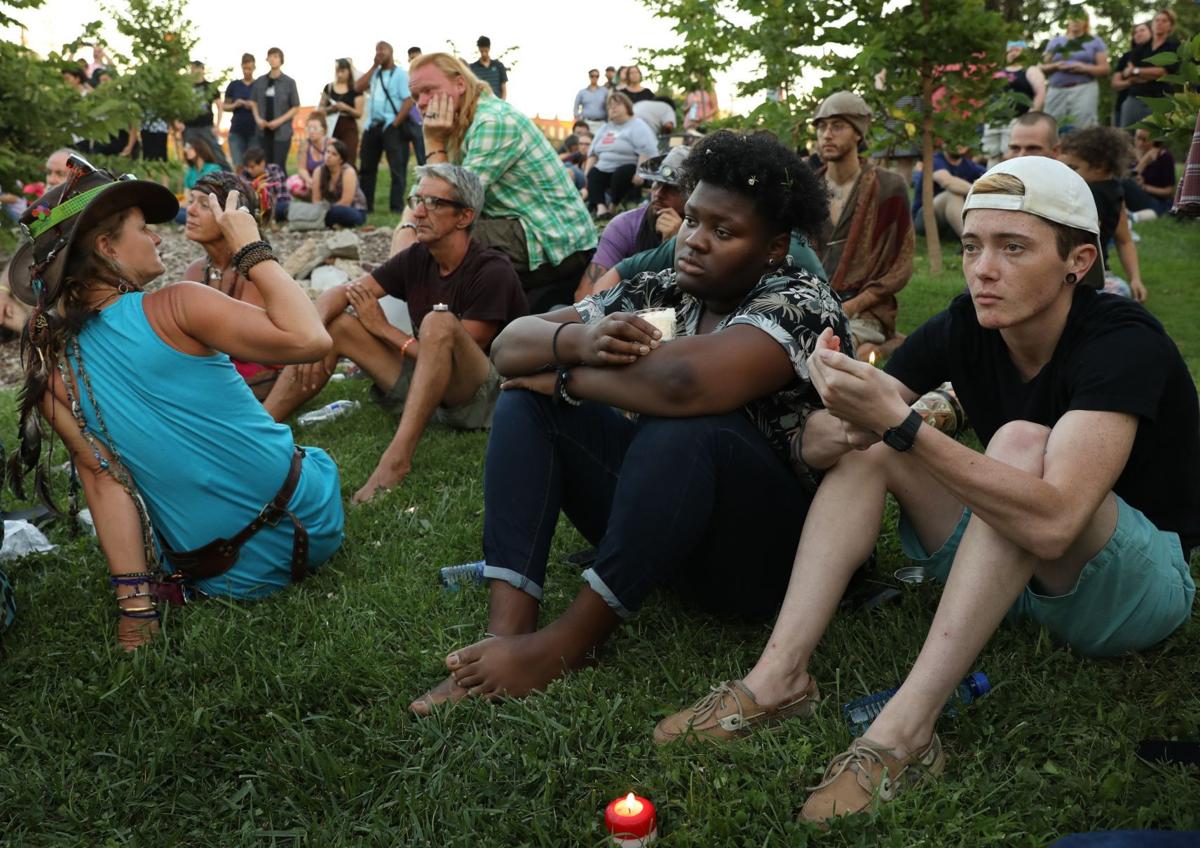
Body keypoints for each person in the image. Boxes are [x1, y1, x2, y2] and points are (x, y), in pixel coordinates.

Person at [657, 155, 1197, 826]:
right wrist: (840, 399)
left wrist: (902, 425)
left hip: (1132, 595)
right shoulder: (969, 323)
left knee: (1020, 442)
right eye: (973, 246)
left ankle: (904, 734)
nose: (983, 268)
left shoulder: (1122, 341)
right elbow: (849, 431)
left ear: (1078, 261)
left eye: (1013, 247)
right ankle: (779, 679)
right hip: (1017, 577)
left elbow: (1058, 523)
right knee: (878, 444)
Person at [407, 130, 848, 716]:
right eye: (691, 219)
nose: (693, 241)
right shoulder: (663, 288)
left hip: (764, 556)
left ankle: (572, 642)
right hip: (670, 533)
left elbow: (683, 385)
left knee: (685, 425)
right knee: (527, 402)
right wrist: (581, 338)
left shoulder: (798, 298)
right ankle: (508, 628)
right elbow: (511, 346)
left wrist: (566, 373)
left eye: (724, 232)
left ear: (774, 246)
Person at [5, 157, 345, 650]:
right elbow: (310, 338)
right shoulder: (178, 304)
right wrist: (250, 244)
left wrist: (136, 614)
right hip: (310, 522)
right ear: (107, 248)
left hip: (219, 573)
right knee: (316, 462)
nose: (158, 238)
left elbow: (104, 484)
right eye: (144, 229)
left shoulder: (50, 373)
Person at [264, 164, 527, 502]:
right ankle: (262, 426)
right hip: (426, 386)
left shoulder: (493, 271)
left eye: (433, 203)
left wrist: (385, 330)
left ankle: (396, 460)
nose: (418, 212)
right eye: (417, 199)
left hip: (478, 398)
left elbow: (450, 360)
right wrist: (309, 341)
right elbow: (339, 294)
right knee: (337, 324)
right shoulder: (418, 257)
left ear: (464, 217)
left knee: (439, 322)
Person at [400, 52, 596, 312]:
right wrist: (407, 231)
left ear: (460, 84)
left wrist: (433, 142)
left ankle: (443, 329)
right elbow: (426, 202)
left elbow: (442, 202)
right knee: (423, 234)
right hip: (517, 226)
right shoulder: (459, 123)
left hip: (554, 241)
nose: (422, 103)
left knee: (440, 238)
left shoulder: (492, 121)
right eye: (416, 97)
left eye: (429, 91)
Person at [811, 91, 913, 360]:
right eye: (821, 127)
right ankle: (884, 347)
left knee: (834, 353)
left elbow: (900, 264)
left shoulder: (889, 187)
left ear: (858, 133)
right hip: (813, 301)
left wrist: (853, 305)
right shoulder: (808, 188)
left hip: (867, 309)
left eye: (837, 126)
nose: (827, 135)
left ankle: (881, 345)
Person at [182, 171, 284, 399]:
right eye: (191, 202)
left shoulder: (256, 272)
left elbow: (261, 346)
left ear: (231, 217)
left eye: (205, 205)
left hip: (254, 368)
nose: (190, 210)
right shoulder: (196, 271)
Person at [576, 146, 689, 295]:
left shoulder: (700, 234)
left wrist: (676, 243)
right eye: (657, 183)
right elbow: (586, 294)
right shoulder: (625, 226)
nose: (659, 193)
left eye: (673, 188)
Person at [1059, 126, 1147, 301]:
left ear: (1100, 166)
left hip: (1078, 274)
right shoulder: (1116, 192)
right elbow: (1125, 240)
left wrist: (1136, 279)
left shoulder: (1087, 194)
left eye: (1073, 167)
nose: (1065, 174)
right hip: (1094, 273)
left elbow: (1124, 240)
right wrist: (1135, 279)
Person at [355, 41, 417, 214]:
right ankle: (366, 207)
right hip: (372, 126)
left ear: (391, 52)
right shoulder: (375, 74)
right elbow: (358, 87)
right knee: (367, 168)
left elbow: (408, 100)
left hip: (392, 126)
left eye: (382, 49)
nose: (379, 53)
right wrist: (374, 65)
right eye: (376, 50)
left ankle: (396, 207)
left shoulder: (400, 75)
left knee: (397, 168)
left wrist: (395, 123)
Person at [585, 92, 658, 217]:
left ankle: (613, 205)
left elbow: (646, 151)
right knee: (594, 174)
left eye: (617, 104)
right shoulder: (605, 128)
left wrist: (639, 173)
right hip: (604, 167)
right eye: (609, 106)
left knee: (621, 173)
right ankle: (601, 208)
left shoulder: (638, 126)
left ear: (627, 107)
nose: (612, 108)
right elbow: (592, 153)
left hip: (628, 168)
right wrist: (587, 173)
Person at [980, 41, 1046, 166]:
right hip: (994, 120)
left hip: (1017, 119)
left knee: (1010, 154)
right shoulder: (997, 72)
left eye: (1017, 50)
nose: (1013, 53)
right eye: (1010, 50)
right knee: (991, 155)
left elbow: (1040, 92)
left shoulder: (1030, 71)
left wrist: (1031, 116)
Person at [1041, 11, 1108, 131]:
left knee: (1084, 127)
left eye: (1080, 18)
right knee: (1050, 125)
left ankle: (1083, 150)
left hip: (1084, 89)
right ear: (1067, 21)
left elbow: (1105, 69)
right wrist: (1056, 66)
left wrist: (1084, 68)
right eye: (1073, 17)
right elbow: (1043, 68)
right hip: (1056, 90)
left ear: (1085, 22)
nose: (1076, 21)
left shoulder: (1095, 41)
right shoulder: (1055, 42)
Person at [1113, 9, 1180, 128]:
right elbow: (1128, 74)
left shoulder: (1174, 46)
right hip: (1135, 99)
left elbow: (1163, 72)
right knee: (1126, 138)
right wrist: (1150, 73)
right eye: (1157, 20)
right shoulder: (1140, 48)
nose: (1159, 23)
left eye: (1164, 21)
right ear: (1152, 24)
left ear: (1170, 26)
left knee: (1156, 140)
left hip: (1160, 100)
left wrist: (1137, 70)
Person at [912, 145, 986, 239]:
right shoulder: (934, 160)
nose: (960, 144)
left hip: (948, 225)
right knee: (952, 194)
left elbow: (993, 177)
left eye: (964, 140)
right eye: (956, 140)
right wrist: (980, 190)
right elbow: (947, 182)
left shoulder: (969, 165)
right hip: (925, 220)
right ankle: (971, 241)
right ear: (944, 143)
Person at [250, 48, 300, 169]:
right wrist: (258, 119)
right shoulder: (260, 81)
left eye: (276, 56)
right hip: (263, 131)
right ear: (267, 59)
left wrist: (279, 121)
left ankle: (281, 188)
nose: (273, 59)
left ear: (281, 60)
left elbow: (296, 107)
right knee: (264, 166)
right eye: (270, 56)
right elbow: (253, 102)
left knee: (279, 166)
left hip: (282, 132)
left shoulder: (289, 82)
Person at [180, 60, 233, 172]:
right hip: (189, 127)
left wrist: (217, 126)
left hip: (206, 126)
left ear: (203, 70)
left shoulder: (210, 87)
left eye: (198, 68)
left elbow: (220, 106)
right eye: (193, 69)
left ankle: (229, 175)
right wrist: (178, 122)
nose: (195, 71)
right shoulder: (185, 87)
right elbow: (179, 106)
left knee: (216, 152)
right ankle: (193, 180)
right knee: (189, 153)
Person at [311, 139, 368, 228]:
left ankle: (325, 221)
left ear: (341, 160)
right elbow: (316, 200)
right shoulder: (318, 171)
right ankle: (331, 222)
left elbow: (346, 202)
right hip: (326, 209)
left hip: (353, 209)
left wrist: (325, 211)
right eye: (327, 152)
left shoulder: (348, 172)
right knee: (311, 210)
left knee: (341, 212)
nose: (328, 156)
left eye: (334, 154)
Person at [319, 58, 365, 169]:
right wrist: (331, 108)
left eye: (342, 71)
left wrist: (346, 108)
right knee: (331, 156)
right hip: (332, 126)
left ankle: (350, 182)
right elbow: (320, 109)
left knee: (349, 159)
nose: (339, 74)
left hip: (349, 126)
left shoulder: (356, 89)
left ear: (349, 71)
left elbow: (359, 113)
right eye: (337, 71)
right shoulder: (329, 88)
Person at [1124, 127, 1176, 217]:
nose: (1140, 143)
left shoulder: (1164, 157)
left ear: (1154, 140)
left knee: (1124, 182)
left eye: (1145, 140)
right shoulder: (1130, 156)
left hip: (1159, 202)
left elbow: (1169, 191)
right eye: (1138, 138)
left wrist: (1144, 187)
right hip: (1135, 198)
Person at [174, 139, 224, 224]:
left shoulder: (214, 168)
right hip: (192, 206)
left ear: (199, 149)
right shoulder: (190, 172)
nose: (186, 151)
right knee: (175, 212)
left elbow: (214, 194)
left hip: (209, 205)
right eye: (186, 148)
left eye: (189, 148)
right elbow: (187, 196)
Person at [1111, 22, 1152, 125]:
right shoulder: (1126, 57)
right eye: (1135, 32)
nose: (1138, 33)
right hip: (1123, 104)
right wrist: (1131, 81)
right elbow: (1115, 83)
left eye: (1142, 30)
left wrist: (1133, 71)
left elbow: (1160, 74)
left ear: (1151, 32)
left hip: (1151, 105)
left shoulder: (1157, 54)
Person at [224, 53, 258, 170]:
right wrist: (235, 104)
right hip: (237, 131)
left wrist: (253, 105)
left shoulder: (259, 85)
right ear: (241, 67)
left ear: (254, 67)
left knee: (252, 165)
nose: (247, 71)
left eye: (249, 68)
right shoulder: (234, 85)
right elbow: (224, 106)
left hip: (254, 131)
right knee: (238, 165)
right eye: (245, 68)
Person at [241, 147, 291, 223]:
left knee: (284, 207)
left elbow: (282, 196)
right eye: (247, 167)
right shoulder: (244, 175)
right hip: (256, 208)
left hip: (276, 205)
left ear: (262, 163)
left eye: (252, 167)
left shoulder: (275, 170)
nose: (249, 170)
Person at [294, 113, 329, 199]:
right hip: (311, 178)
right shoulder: (305, 145)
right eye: (309, 128)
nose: (311, 131)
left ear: (323, 130)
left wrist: (318, 182)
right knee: (292, 183)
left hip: (328, 179)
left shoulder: (331, 144)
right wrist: (308, 180)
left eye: (315, 128)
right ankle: (312, 198)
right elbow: (301, 169)